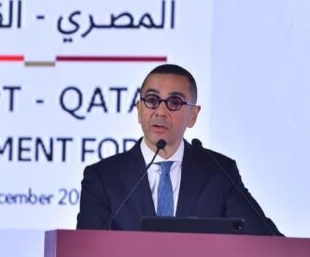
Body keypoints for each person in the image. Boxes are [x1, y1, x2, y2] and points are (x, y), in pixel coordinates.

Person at [76, 64, 282, 236]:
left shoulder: (219, 172)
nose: (160, 111)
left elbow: (266, 240)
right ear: (139, 110)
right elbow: (87, 252)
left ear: (193, 115)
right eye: (152, 100)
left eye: (174, 102)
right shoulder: (103, 177)